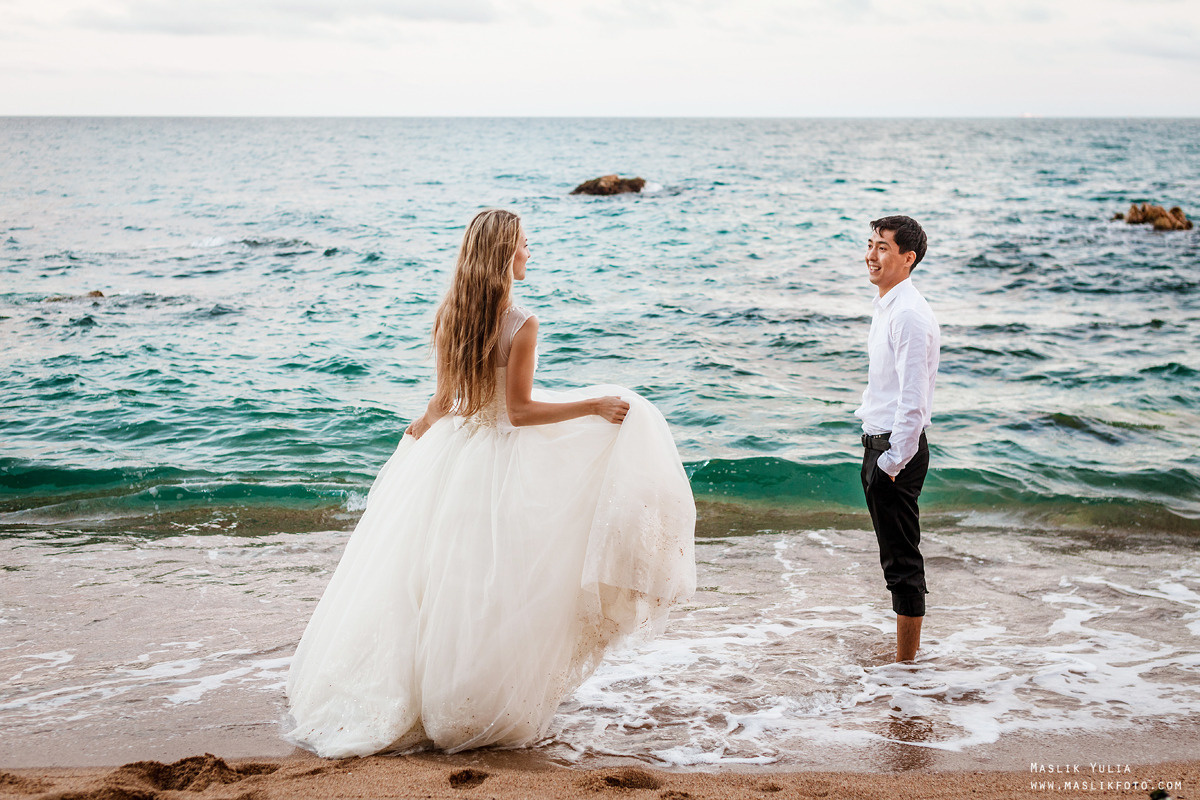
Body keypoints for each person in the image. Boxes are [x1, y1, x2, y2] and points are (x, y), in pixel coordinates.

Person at [285, 209, 697, 758]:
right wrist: (592, 406)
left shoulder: (451, 315)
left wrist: (423, 427)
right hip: (501, 462)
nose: (529, 251)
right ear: (505, 253)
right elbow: (519, 412)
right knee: (491, 587)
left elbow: (446, 400)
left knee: (437, 583)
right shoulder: (521, 324)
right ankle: (471, 704)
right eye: (524, 243)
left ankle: (422, 699)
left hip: (455, 453)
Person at [855, 215, 940, 663]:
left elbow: (913, 401)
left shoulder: (907, 314)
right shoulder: (888, 305)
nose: (871, 255)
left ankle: (906, 668)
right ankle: (906, 656)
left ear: (908, 258)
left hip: (894, 453)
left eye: (883, 247)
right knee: (895, 557)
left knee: (901, 561)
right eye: (870, 244)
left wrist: (890, 463)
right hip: (881, 445)